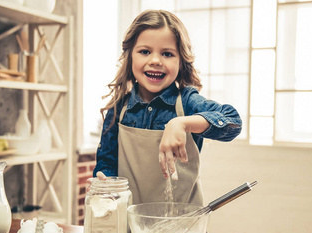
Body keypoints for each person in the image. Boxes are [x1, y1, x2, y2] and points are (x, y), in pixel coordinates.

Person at [93, 10, 242, 206]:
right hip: (130, 226)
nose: (155, 60)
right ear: (130, 58)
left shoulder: (187, 102)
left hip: (181, 227)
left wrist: (182, 123)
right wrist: (104, 182)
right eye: (145, 51)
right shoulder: (119, 108)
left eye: (167, 54)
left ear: (181, 62)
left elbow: (233, 121)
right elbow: (107, 165)